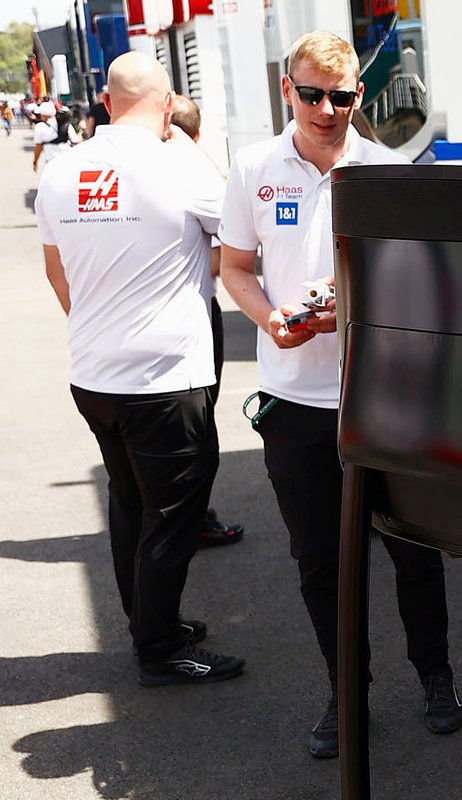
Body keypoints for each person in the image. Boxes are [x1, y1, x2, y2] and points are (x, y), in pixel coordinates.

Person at [219, 30, 462, 759]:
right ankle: (345, 687)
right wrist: (272, 319)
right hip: (295, 401)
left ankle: (436, 674)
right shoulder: (253, 167)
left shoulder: (388, 170)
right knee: (321, 561)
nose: (328, 109)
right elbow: (234, 267)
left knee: (415, 551)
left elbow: (423, 284)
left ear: (360, 94)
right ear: (287, 90)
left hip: (385, 395)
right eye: (313, 94)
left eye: (343, 95)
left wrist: (352, 300)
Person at [34, 51, 245, 686]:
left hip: (95, 374)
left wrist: (99, 327)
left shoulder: (60, 169)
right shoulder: (175, 164)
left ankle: (148, 624)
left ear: (104, 103)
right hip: (163, 378)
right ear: (168, 103)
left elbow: (56, 271)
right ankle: (157, 646)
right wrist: (185, 142)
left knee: (129, 502)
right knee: (174, 514)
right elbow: (240, 229)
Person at [168, 92, 245, 548]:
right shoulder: (191, 174)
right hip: (193, 320)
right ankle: (191, 518)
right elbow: (232, 232)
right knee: (197, 433)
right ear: (196, 137)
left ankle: (185, 515)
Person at [32, 102, 80, 172]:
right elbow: (76, 141)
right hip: (67, 158)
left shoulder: (39, 127)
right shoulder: (66, 124)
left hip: (51, 160)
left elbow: (38, 146)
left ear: (42, 114)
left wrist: (35, 161)